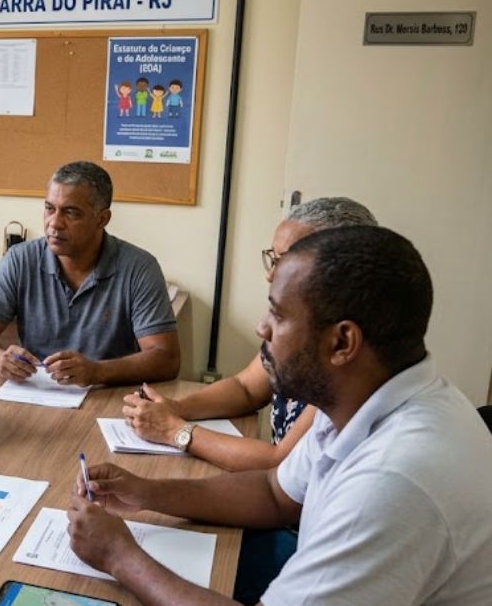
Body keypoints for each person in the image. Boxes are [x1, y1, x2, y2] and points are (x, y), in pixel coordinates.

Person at [68, 226, 492, 605]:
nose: (261, 329)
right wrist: (145, 492)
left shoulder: (392, 481)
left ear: (342, 342)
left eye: (278, 313)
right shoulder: (362, 396)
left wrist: (120, 556)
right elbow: (276, 494)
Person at [122, 197, 377, 471]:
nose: (270, 275)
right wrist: (177, 407)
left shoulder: (345, 351)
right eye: (273, 258)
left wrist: (175, 431)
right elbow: (246, 388)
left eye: (285, 260)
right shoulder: (299, 319)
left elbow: (279, 463)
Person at [0, 161, 179, 387]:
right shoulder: (20, 259)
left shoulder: (139, 268)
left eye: (71, 212)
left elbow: (167, 358)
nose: (54, 223)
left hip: (109, 396)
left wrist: (97, 371)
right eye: (49, 208)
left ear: (102, 219)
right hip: (36, 392)